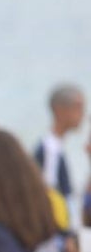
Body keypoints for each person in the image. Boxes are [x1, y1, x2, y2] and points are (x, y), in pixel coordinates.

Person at [34, 84, 86, 227]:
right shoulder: (49, 149)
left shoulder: (55, 147)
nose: (83, 114)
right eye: (78, 107)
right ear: (59, 110)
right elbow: (49, 198)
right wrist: (64, 235)